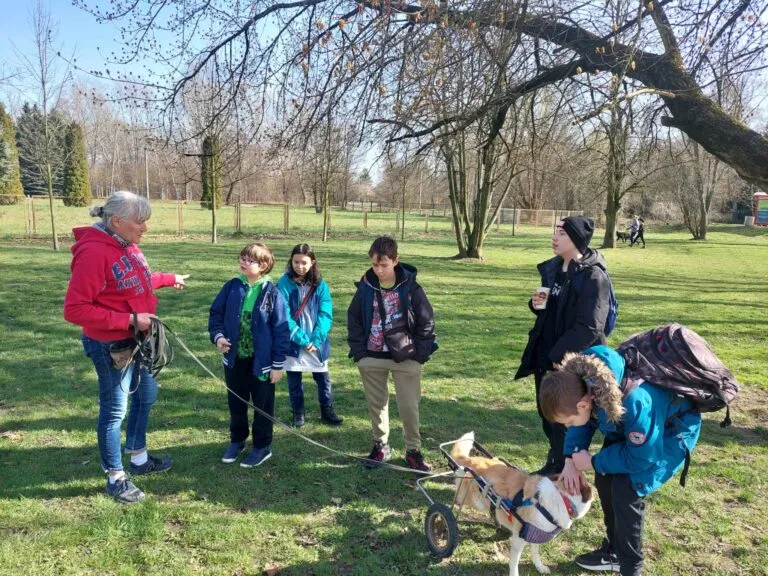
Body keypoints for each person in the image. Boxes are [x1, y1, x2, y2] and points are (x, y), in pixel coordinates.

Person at [63, 191, 189, 504]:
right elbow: (75, 309)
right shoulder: (93, 252)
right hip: (111, 345)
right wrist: (131, 319)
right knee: (115, 409)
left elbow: (136, 281)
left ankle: (139, 457)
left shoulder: (126, 245)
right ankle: (116, 477)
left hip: (139, 340)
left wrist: (167, 278)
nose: (145, 228)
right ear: (117, 221)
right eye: (140, 222)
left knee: (146, 396)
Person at [538, 345, 701, 575]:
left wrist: (593, 461)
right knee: (605, 478)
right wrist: (570, 458)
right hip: (631, 430)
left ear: (583, 404)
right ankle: (615, 550)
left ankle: (630, 567)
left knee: (627, 489)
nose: (567, 427)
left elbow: (643, 457)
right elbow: (585, 421)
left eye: (568, 422)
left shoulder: (635, 401)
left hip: (670, 432)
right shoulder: (583, 382)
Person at [514, 215, 612, 476]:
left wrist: (561, 356)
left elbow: (591, 326)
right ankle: (556, 462)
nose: (554, 237)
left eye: (562, 234)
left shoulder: (593, 277)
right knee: (549, 415)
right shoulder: (554, 270)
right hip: (546, 357)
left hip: (571, 362)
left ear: (577, 240)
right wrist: (535, 305)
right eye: (555, 232)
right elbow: (550, 311)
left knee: (566, 419)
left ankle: (565, 469)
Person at [347, 236, 437, 472]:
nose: (378, 270)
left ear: (396, 261)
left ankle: (413, 450)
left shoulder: (411, 288)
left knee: (409, 406)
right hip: (371, 356)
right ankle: (380, 445)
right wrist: (359, 353)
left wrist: (419, 355)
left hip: (406, 357)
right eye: (375, 264)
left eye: (384, 265)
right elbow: (353, 318)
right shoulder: (366, 286)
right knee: (377, 405)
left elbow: (427, 322)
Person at [208, 242, 290, 468]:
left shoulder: (273, 293)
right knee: (236, 402)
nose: (243, 262)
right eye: (242, 258)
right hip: (235, 360)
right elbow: (216, 315)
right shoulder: (232, 286)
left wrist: (277, 365)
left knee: (262, 404)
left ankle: (262, 446)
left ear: (263, 266)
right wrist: (219, 337)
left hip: (262, 363)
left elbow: (282, 330)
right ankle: (237, 440)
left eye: (250, 260)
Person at [277, 243, 342, 428]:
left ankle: (327, 411)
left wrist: (316, 339)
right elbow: (283, 316)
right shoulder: (283, 283)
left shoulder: (320, 284)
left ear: (312, 262)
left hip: (316, 342)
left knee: (323, 379)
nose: (300, 266)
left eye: (304, 262)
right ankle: (298, 413)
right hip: (294, 342)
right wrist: (302, 340)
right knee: (294, 381)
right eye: (296, 262)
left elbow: (325, 312)